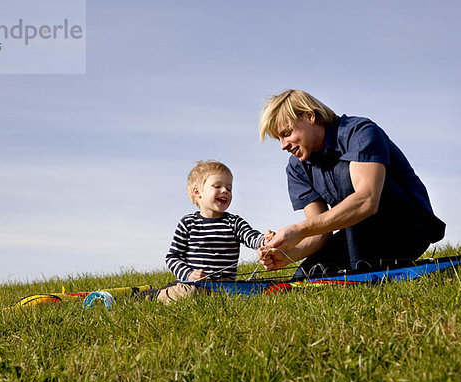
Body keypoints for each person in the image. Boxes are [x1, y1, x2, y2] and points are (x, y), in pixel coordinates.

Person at [257, 89, 446, 279]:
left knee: (344, 174)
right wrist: (287, 254)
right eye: (278, 139)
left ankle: (363, 271)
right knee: (304, 278)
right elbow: (320, 232)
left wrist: (299, 230)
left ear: (310, 116)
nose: (283, 145)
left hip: (407, 228)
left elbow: (366, 200)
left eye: (287, 133)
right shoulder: (297, 167)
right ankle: (361, 268)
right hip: (358, 234)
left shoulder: (359, 132)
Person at [159, 160, 274, 303]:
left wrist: (265, 240)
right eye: (217, 186)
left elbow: (251, 236)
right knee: (187, 294)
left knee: (254, 292)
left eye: (229, 188)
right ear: (197, 192)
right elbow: (173, 257)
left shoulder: (234, 222)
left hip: (227, 287)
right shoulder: (188, 223)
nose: (225, 191)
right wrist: (188, 274)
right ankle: (153, 295)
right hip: (194, 286)